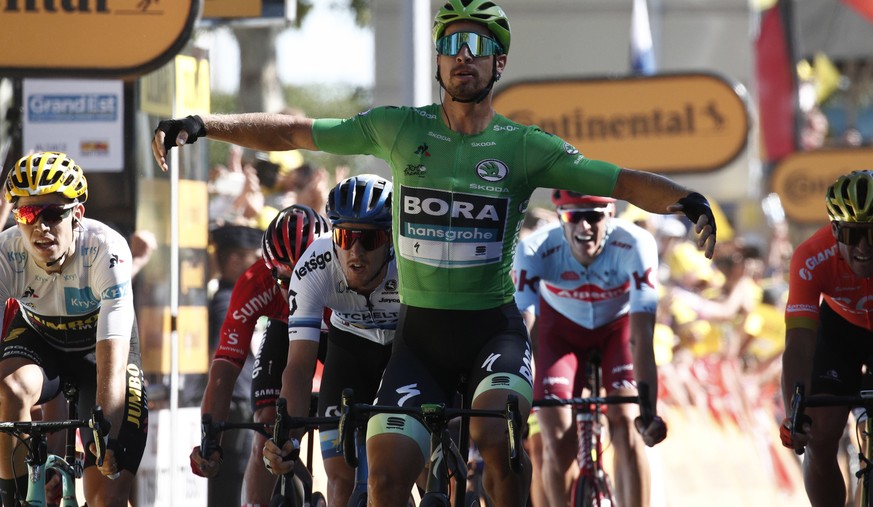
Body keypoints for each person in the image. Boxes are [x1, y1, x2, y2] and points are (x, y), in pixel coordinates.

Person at [151, 2, 716, 503]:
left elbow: (616, 181)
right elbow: (296, 132)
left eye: (478, 46)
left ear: (499, 64)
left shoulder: (524, 147)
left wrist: (686, 201)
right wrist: (206, 124)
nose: (461, 56)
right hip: (418, 341)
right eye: (450, 45)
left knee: (494, 439)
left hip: (491, 333)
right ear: (438, 61)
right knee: (388, 474)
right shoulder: (399, 128)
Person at [0, 152, 148, 507]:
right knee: (9, 390)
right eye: (27, 214)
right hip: (40, 338)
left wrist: (106, 431)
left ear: (77, 214)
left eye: (52, 214)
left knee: (106, 497)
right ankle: (14, 499)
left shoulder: (105, 249)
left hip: (99, 350)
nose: (40, 227)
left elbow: (112, 351)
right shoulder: (7, 253)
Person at [513, 192, 666, 507]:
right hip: (560, 335)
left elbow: (641, 335)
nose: (584, 226)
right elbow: (523, 332)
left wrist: (648, 408)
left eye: (594, 216)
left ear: (610, 215)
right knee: (556, 441)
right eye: (573, 216)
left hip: (617, 331)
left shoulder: (636, 244)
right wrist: (518, 398)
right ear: (560, 218)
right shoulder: (534, 248)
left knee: (627, 423)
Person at [263, 174, 400, 506]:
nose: (355, 250)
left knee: (417, 466)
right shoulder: (313, 266)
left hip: (405, 347)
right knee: (341, 480)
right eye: (345, 236)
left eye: (370, 239)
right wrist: (288, 436)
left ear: (392, 239)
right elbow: (298, 367)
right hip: (349, 346)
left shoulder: (412, 262)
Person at [190, 205, 330, 506]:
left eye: (307, 278)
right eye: (286, 282)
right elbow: (224, 369)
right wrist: (210, 440)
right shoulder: (255, 282)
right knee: (266, 429)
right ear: (270, 269)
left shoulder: (344, 277)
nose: (297, 291)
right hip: (285, 331)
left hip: (338, 336)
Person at [780, 170, 873, 506]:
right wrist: (795, 412)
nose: (864, 247)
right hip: (839, 332)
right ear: (835, 231)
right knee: (819, 437)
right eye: (853, 233)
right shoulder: (810, 257)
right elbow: (799, 344)